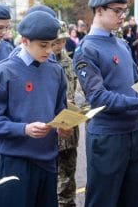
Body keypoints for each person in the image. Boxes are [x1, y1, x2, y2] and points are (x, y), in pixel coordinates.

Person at [0, 11, 70, 207]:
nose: (48, 51)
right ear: (24, 41)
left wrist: (64, 126)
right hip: (15, 162)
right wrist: (24, 129)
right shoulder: (4, 71)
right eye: (43, 45)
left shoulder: (55, 71)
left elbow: (59, 111)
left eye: (52, 44)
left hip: (48, 160)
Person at [73, 0, 138, 207]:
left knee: (133, 199)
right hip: (108, 137)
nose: (123, 16)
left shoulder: (122, 45)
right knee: (103, 200)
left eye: (125, 10)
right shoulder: (87, 49)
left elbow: (136, 84)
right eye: (117, 10)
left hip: (133, 133)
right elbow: (99, 97)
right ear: (99, 11)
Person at [51, 32, 79, 207]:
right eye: (57, 41)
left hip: (70, 127)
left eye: (62, 41)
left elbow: (76, 87)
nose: (60, 44)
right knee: (51, 178)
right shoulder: (42, 63)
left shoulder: (68, 61)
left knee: (69, 176)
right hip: (52, 129)